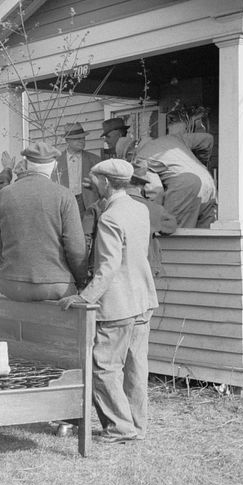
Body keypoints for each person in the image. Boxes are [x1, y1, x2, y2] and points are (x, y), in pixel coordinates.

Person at [57, 159, 159, 444]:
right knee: (136, 366)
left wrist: (84, 297)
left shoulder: (110, 217)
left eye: (94, 181)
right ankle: (136, 425)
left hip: (118, 305)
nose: (92, 185)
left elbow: (109, 267)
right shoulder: (139, 209)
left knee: (103, 366)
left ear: (105, 182)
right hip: (143, 298)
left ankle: (119, 428)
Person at [0, 142, 88, 302]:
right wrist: (81, 281)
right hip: (55, 285)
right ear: (54, 166)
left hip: (12, 284)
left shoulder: (4, 194)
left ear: (26, 164)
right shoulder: (64, 195)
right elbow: (76, 248)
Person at [135, 112, 217, 228]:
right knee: (205, 236)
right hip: (209, 183)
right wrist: (201, 162)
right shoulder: (174, 139)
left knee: (173, 232)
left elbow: (155, 192)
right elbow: (207, 139)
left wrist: (156, 218)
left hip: (185, 187)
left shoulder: (141, 157)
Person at [125, 160, 177, 277]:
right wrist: (153, 225)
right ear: (142, 186)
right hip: (144, 267)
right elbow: (171, 226)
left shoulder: (104, 204)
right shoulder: (153, 208)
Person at [54, 122, 101, 219]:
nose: (82, 141)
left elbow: (101, 186)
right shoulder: (56, 161)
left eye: (83, 138)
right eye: (77, 138)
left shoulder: (95, 160)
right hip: (65, 203)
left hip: (87, 203)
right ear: (67, 140)